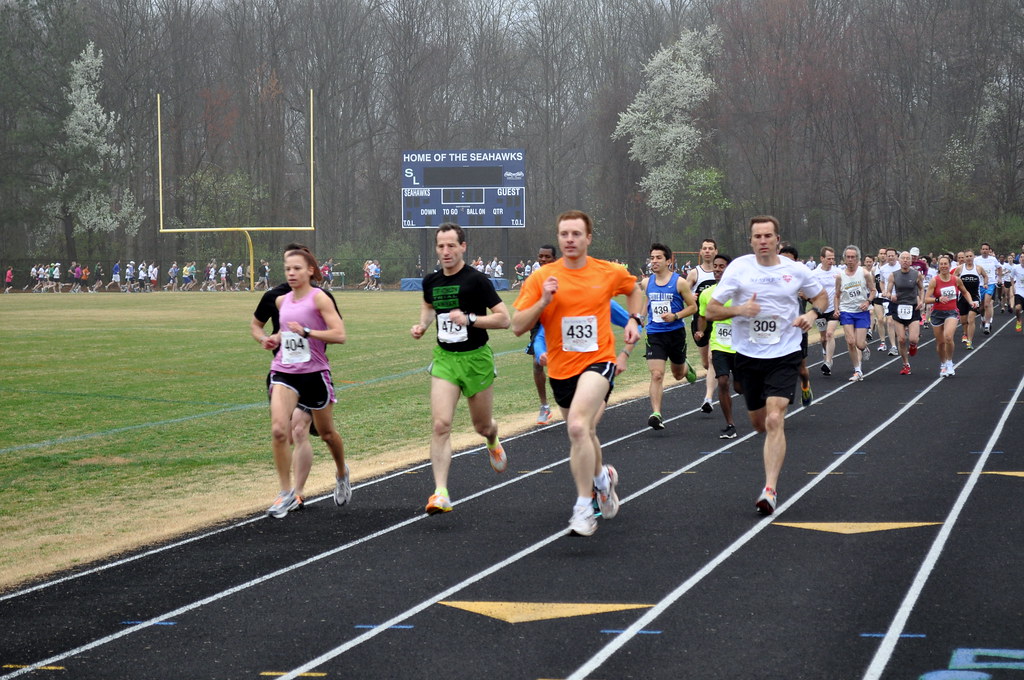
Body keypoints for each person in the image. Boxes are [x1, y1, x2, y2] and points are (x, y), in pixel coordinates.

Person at [512, 209, 643, 536]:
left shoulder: (607, 271)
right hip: (561, 368)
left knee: (576, 426)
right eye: (564, 234)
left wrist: (634, 319)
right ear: (559, 238)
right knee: (583, 433)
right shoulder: (542, 278)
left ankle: (584, 508)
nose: (570, 239)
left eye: (576, 234)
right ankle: (602, 478)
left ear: (588, 238)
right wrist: (543, 301)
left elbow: (634, 290)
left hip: (599, 360)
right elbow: (517, 326)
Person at [706, 216, 828, 515]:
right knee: (760, 424)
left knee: (775, 418)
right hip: (748, 355)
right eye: (757, 236)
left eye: (768, 236)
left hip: (785, 353)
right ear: (750, 241)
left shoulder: (795, 270)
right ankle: (769, 475)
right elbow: (711, 310)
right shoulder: (739, 269)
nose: (763, 241)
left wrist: (812, 315)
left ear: (777, 240)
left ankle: (770, 489)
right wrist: (740, 309)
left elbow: (822, 297)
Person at [410, 223, 510, 515]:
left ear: (463, 247)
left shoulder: (477, 280)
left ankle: (492, 438)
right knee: (441, 424)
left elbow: (504, 319)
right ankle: (440, 492)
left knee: (482, 426)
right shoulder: (431, 281)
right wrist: (422, 325)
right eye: (441, 246)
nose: (446, 251)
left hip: (476, 359)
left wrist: (470, 319)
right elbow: (429, 306)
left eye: (451, 245)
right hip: (445, 360)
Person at [251, 243, 351, 517]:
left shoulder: (321, 298)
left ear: (310, 270)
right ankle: (287, 493)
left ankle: (341, 472)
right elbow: (283, 332)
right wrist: (272, 339)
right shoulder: (280, 301)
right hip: (284, 371)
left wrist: (308, 332)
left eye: (296, 268)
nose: (291, 273)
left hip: (314, 373)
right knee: (281, 430)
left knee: (327, 434)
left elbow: (340, 335)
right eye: (287, 269)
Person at [641, 242, 698, 430]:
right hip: (654, 334)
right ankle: (656, 414)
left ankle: (685, 367)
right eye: (652, 258)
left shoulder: (679, 282)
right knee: (657, 374)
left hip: (675, 334)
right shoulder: (647, 282)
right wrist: (641, 318)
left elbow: (693, 307)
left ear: (668, 261)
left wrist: (675, 315)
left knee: (678, 375)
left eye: (659, 258)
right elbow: (647, 301)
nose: (654, 261)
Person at [696, 253, 741, 438]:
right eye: (715, 266)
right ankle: (730, 424)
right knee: (722, 381)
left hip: (740, 346)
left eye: (722, 266)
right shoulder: (707, 293)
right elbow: (702, 316)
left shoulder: (740, 292)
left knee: (739, 387)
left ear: (729, 269)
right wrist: (700, 331)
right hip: (719, 345)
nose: (717, 269)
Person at [926, 254, 977, 377]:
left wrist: (971, 302)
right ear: (938, 266)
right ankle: (943, 363)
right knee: (940, 343)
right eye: (941, 264)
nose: (943, 266)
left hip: (951, 312)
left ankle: (949, 362)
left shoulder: (956, 280)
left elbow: (965, 292)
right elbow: (926, 299)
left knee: (948, 337)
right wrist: (938, 299)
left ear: (950, 265)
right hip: (937, 314)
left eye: (946, 264)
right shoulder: (935, 281)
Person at [525, 245, 559, 424]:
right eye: (541, 256)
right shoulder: (534, 279)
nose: (543, 259)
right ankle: (544, 406)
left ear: (554, 259)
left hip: (560, 322)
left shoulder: (561, 276)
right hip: (539, 324)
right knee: (538, 363)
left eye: (547, 257)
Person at [686, 239, 719, 413]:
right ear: (700, 252)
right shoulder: (695, 273)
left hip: (719, 322)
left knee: (714, 359)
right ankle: (718, 375)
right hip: (700, 321)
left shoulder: (721, 271)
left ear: (715, 251)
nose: (707, 251)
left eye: (710, 248)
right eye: (704, 248)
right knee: (706, 363)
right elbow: (682, 293)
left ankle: (708, 398)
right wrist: (690, 297)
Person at [779, 245, 814, 406]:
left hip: (798, 330)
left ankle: (805, 386)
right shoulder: (772, 279)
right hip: (778, 330)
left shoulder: (801, 279)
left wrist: (806, 297)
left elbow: (818, 300)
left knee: (801, 368)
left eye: (789, 260)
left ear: (796, 261)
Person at [835, 245, 875, 382]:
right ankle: (857, 370)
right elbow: (837, 295)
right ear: (844, 259)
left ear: (857, 258)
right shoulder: (840, 276)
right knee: (850, 342)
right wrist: (837, 309)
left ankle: (865, 347)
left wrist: (868, 302)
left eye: (853, 257)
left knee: (859, 344)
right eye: (848, 257)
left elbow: (873, 291)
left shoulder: (864, 273)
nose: (850, 260)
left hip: (861, 311)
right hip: (846, 311)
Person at [883, 251, 924, 375]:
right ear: (899, 261)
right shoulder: (893, 275)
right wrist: (890, 296)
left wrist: (921, 301)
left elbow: (921, 289)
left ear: (911, 261)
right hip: (898, 307)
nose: (905, 260)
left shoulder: (916, 274)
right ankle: (906, 364)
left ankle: (913, 345)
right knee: (901, 339)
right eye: (903, 258)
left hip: (913, 308)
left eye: (908, 258)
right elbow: (888, 292)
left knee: (913, 339)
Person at [811, 246, 839, 375]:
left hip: (833, 309)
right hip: (821, 310)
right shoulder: (814, 274)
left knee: (829, 334)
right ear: (822, 258)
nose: (831, 261)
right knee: (823, 338)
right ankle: (826, 353)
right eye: (829, 258)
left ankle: (828, 362)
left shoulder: (838, 272)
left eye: (833, 258)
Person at [953, 249, 985, 350]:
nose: (969, 258)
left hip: (975, 297)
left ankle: (969, 341)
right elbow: (953, 279)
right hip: (962, 297)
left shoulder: (978, 268)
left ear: (974, 257)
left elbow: (985, 276)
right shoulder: (959, 269)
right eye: (967, 256)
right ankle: (965, 333)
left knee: (971, 318)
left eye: (971, 256)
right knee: (963, 320)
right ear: (964, 258)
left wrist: (985, 283)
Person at [975, 242, 1001, 334]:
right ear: (980, 250)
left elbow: (999, 268)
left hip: (990, 284)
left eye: (986, 249)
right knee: (981, 307)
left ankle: (987, 325)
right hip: (979, 285)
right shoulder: (976, 260)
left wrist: (999, 278)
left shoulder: (993, 259)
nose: (985, 251)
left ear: (989, 250)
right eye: (983, 249)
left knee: (987, 304)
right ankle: (983, 318)